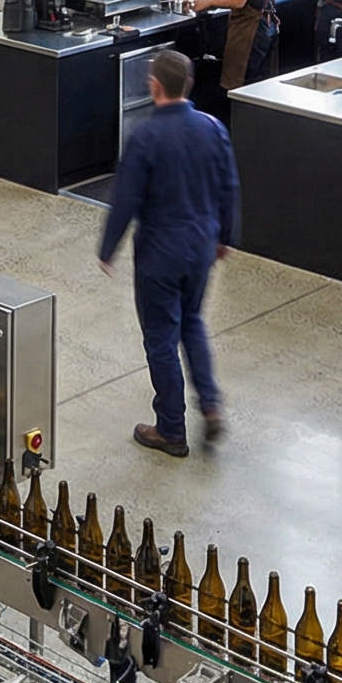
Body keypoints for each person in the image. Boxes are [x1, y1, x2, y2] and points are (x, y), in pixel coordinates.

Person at [98, 49, 241, 458]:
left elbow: (126, 198)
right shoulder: (213, 128)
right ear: (189, 85)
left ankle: (171, 429)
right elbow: (229, 186)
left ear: (154, 85)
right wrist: (225, 236)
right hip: (200, 246)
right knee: (192, 322)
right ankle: (211, 406)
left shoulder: (145, 136)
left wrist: (108, 248)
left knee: (161, 338)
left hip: (160, 252)